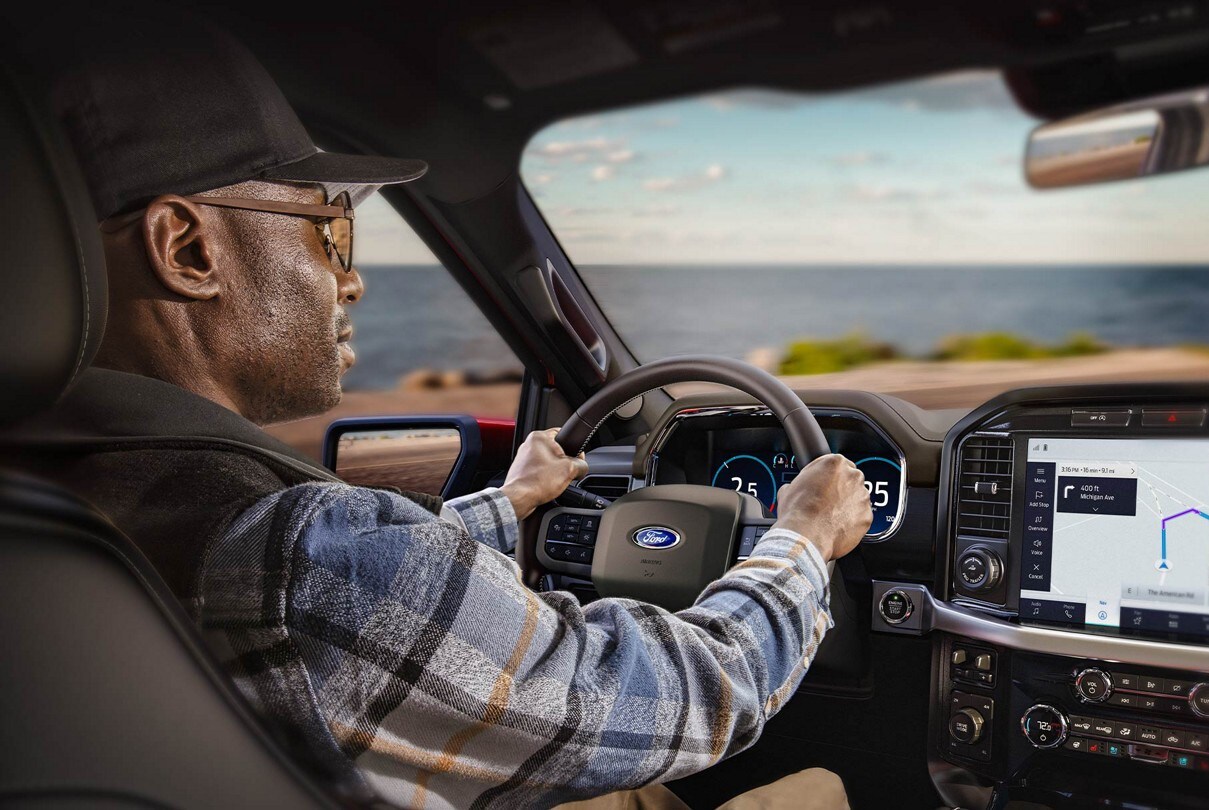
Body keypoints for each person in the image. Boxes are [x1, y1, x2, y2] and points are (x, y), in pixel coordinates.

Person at [0, 6, 872, 809]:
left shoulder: (50, 491)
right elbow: (692, 692)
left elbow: (375, 615)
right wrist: (803, 538)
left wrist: (514, 502)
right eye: (329, 225)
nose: (352, 277)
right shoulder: (300, 555)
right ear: (187, 247)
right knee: (826, 786)